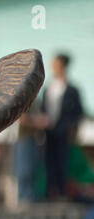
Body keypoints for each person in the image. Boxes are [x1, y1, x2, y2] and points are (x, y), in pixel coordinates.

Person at [41, 54, 83, 200]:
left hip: (63, 132)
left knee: (62, 162)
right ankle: (51, 192)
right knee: (49, 162)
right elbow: (43, 110)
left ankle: (62, 192)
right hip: (49, 133)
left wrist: (72, 128)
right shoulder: (49, 89)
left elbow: (78, 112)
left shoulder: (72, 90)